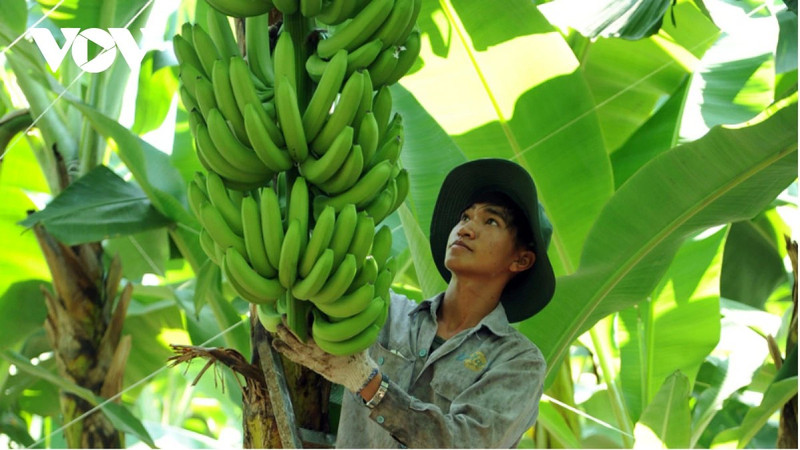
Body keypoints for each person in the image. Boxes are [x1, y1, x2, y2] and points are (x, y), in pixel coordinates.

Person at [273, 158, 556, 448]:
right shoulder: (384, 312)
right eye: (465, 217)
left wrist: (368, 382)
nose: (466, 228)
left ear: (521, 260)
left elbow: (464, 444)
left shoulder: (517, 362)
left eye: (491, 221)